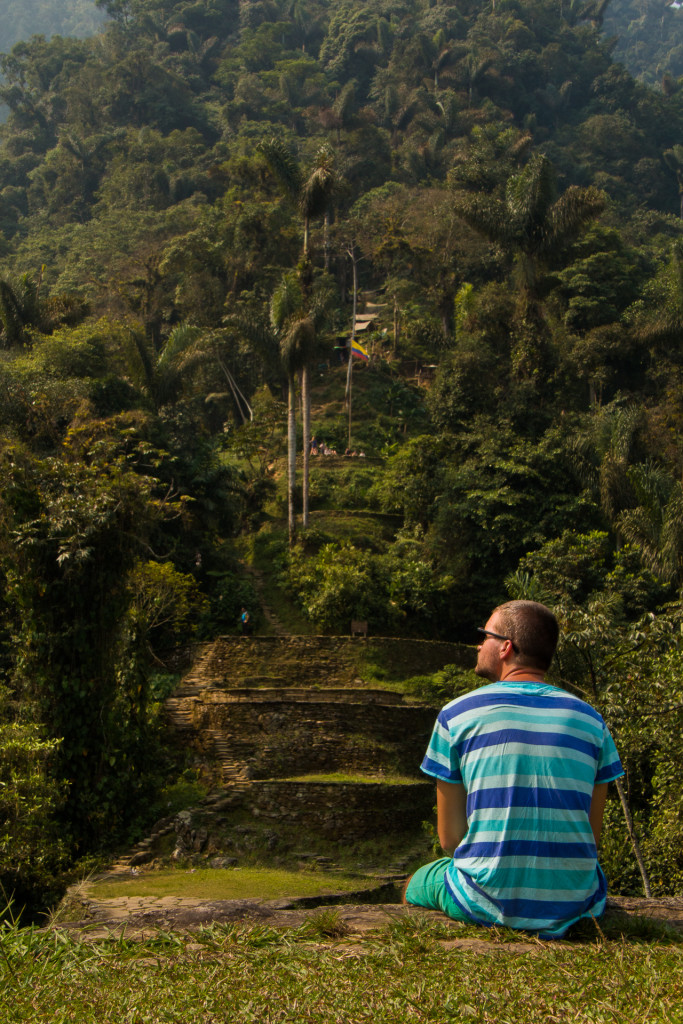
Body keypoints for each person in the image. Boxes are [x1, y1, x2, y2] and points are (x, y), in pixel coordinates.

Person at [404, 600, 624, 938]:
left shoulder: (456, 716)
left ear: (506, 647)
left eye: (485, 635)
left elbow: (450, 840)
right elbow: (590, 839)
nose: (479, 644)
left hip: (485, 899)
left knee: (416, 882)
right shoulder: (593, 722)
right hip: (577, 902)